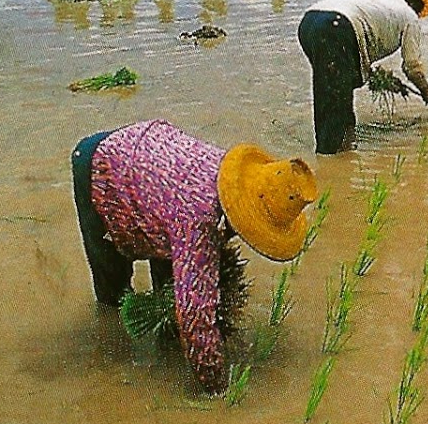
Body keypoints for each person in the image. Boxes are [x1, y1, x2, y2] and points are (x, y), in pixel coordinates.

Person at [72, 119, 318, 393]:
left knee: (171, 278)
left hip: (151, 173)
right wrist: (216, 389)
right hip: (100, 164)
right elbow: (195, 317)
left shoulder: (232, 178)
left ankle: (164, 343)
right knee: (113, 294)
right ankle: (109, 372)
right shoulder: (199, 219)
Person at [298, 0, 428, 153]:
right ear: (415, 4)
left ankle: (341, 156)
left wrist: (377, 76)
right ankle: (329, 159)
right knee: (335, 103)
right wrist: (425, 90)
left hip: (308, 22)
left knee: (334, 92)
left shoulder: (379, 6)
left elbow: (360, 44)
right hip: (336, 26)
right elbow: (411, 66)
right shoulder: (410, 16)